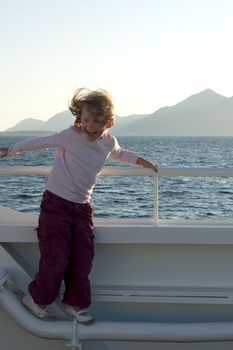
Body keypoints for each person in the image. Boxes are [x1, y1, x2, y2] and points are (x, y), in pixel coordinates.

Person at [0, 88, 158, 324]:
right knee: (56, 258)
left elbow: (120, 154)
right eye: (85, 120)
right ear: (79, 118)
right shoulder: (70, 135)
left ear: (110, 122)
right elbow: (41, 142)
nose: (90, 126)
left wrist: (144, 162)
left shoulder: (108, 142)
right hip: (56, 204)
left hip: (82, 208)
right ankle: (36, 299)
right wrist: (12, 149)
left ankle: (74, 303)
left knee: (83, 257)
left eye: (97, 121)